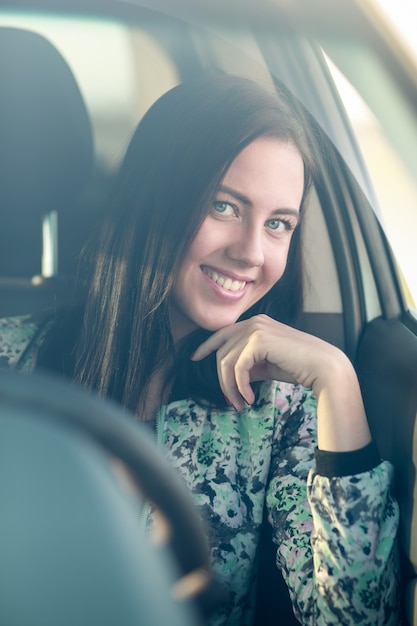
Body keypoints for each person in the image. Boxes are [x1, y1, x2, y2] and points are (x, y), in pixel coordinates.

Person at [0, 75, 399, 625]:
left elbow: (354, 619)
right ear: (155, 198)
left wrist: (336, 376)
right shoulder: (11, 358)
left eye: (279, 224)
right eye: (224, 206)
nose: (251, 252)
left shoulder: (282, 409)